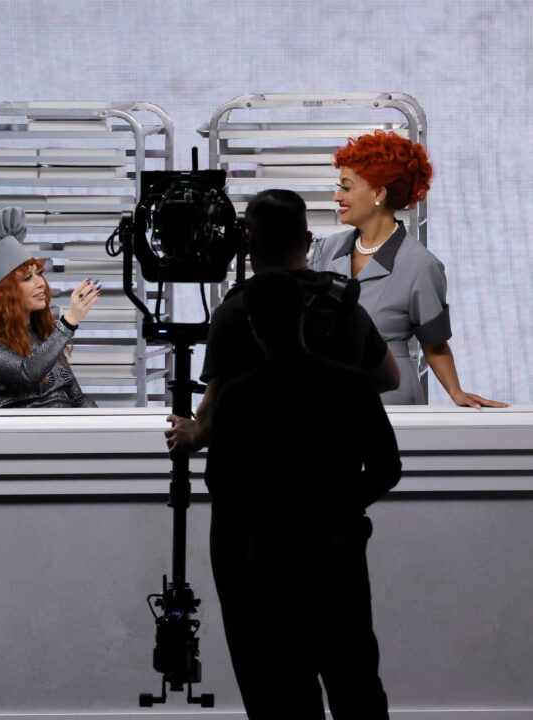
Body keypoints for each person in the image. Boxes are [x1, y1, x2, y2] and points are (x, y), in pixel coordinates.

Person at [204, 271, 402, 719]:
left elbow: (220, 483)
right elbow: (387, 469)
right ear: (304, 314)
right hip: (339, 553)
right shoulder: (350, 384)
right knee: (356, 685)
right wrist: (341, 503)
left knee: (289, 690)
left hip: (271, 561)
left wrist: (267, 513)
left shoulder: (238, 396)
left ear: (254, 325)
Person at [165, 188, 399, 453]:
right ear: (308, 240)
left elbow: (208, 423)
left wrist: (192, 434)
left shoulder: (234, 311)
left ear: (247, 241)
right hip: (333, 480)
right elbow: (389, 378)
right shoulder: (344, 305)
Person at [309, 130, 507, 408]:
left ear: (379, 192)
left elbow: (434, 345)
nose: (335, 196)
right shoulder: (324, 251)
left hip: (389, 399)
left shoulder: (421, 265)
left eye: (346, 186)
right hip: (323, 396)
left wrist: (456, 392)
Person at [0, 206, 100, 408]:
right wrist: (69, 322)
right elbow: (28, 371)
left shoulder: (43, 334)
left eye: (39, 273)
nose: (41, 283)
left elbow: (77, 397)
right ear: (4, 293)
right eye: (27, 278)